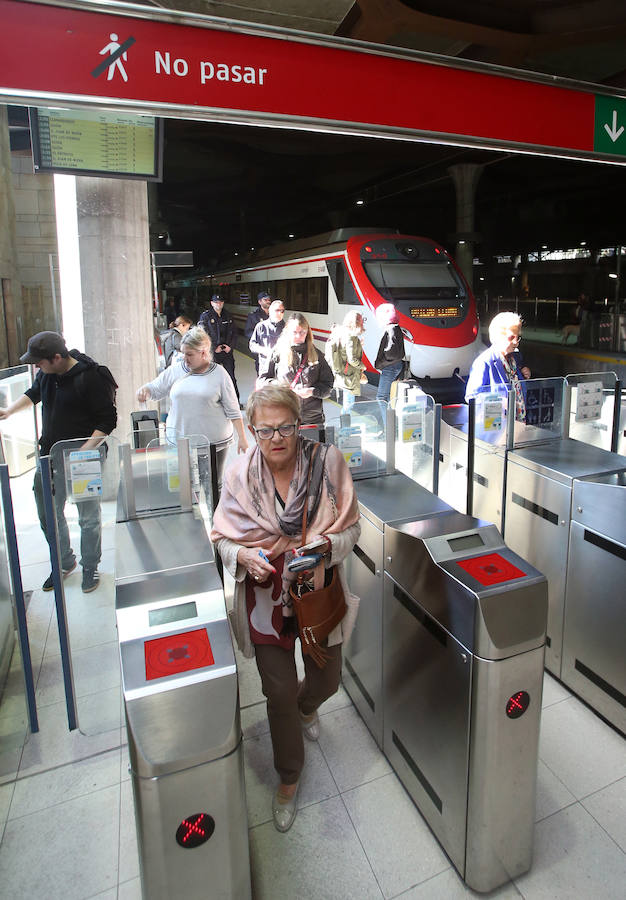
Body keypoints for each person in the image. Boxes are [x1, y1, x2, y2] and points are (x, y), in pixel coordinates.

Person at [210, 384, 360, 832]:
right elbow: (221, 537)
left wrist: (326, 547)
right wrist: (243, 557)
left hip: (315, 593)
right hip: (265, 600)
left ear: (300, 425)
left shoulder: (327, 463)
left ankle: (308, 706)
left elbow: (352, 529)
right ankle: (289, 777)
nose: (277, 438)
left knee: (327, 679)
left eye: (286, 428)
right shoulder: (236, 474)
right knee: (277, 693)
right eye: (266, 430)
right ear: (252, 431)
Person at [0, 331, 117, 593]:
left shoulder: (92, 377)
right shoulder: (47, 374)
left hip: (83, 457)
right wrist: (9, 411)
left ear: (56, 357)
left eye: (39, 361)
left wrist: (82, 453)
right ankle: (64, 562)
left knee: (87, 517)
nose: (35, 366)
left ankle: (90, 566)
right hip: (50, 456)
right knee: (48, 514)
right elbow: (34, 393)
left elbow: (107, 421)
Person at [136, 326, 248, 491]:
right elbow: (156, 388)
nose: (185, 358)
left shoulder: (220, 374)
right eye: (183, 353)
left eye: (189, 354)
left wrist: (242, 437)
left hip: (213, 443)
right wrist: (145, 390)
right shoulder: (175, 371)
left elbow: (232, 409)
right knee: (183, 488)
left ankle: (213, 516)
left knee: (211, 487)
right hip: (180, 443)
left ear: (203, 353)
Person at [260, 313, 333, 426]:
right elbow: (263, 381)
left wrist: (312, 391)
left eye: (302, 332)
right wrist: (280, 387)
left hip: (312, 418)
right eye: (294, 332)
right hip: (284, 417)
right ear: (288, 332)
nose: (298, 336)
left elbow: (328, 385)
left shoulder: (317, 355)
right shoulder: (277, 353)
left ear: (307, 332)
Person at [464, 311, 531, 421]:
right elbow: (472, 397)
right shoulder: (484, 362)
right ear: (498, 336)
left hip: (518, 421)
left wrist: (524, 373)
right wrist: (498, 401)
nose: (516, 342)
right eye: (511, 337)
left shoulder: (516, 358)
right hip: (495, 423)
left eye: (518, 337)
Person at [198, 294, 240, 402]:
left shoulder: (228, 315)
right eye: (216, 302)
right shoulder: (205, 316)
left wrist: (230, 347)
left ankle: (235, 401)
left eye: (221, 302)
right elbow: (202, 335)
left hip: (227, 352)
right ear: (212, 303)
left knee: (230, 378)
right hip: (212, 353)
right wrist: (212, 348)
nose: (219, 304)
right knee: (212, 378)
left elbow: (235, 333)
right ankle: (212, 401)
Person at [326, 311, 367, 413]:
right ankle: (345, 427)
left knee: (347, 402)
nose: (363, 323)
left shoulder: (342, 332)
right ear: (355, 322)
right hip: (349, 375)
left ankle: (345, 425)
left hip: (344, 372)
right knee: (348, 404)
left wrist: (358, 345)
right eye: (362, 321)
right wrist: (363, 367)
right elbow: (352, 359)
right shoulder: (351, 337)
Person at [374, 303, 405, 403]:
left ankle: (387, 419)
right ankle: (391, 418)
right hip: (396, 365)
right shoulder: (396, 327)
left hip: (390, 367)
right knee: (388, 397)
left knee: (381, 397)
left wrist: (381, 362)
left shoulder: (390, 329)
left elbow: (391, 353)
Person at [249, 299, 285, 377]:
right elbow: (252, 345)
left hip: (282, 369)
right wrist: (263, 350)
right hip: (265, 367)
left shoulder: (287, 328)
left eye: (282, 311)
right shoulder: (261, 326)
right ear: (270, 311)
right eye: (277, 310)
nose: (280, 313)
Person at [245, 291, 272, 373]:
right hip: (261, 350)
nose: (268, 301)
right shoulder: (253, 316)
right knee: (262, 374)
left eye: (269, 299)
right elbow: (248, 332)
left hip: (273, 349)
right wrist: (261, 341)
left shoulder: (274, 314)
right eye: (265, 299)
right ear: (260, 302)